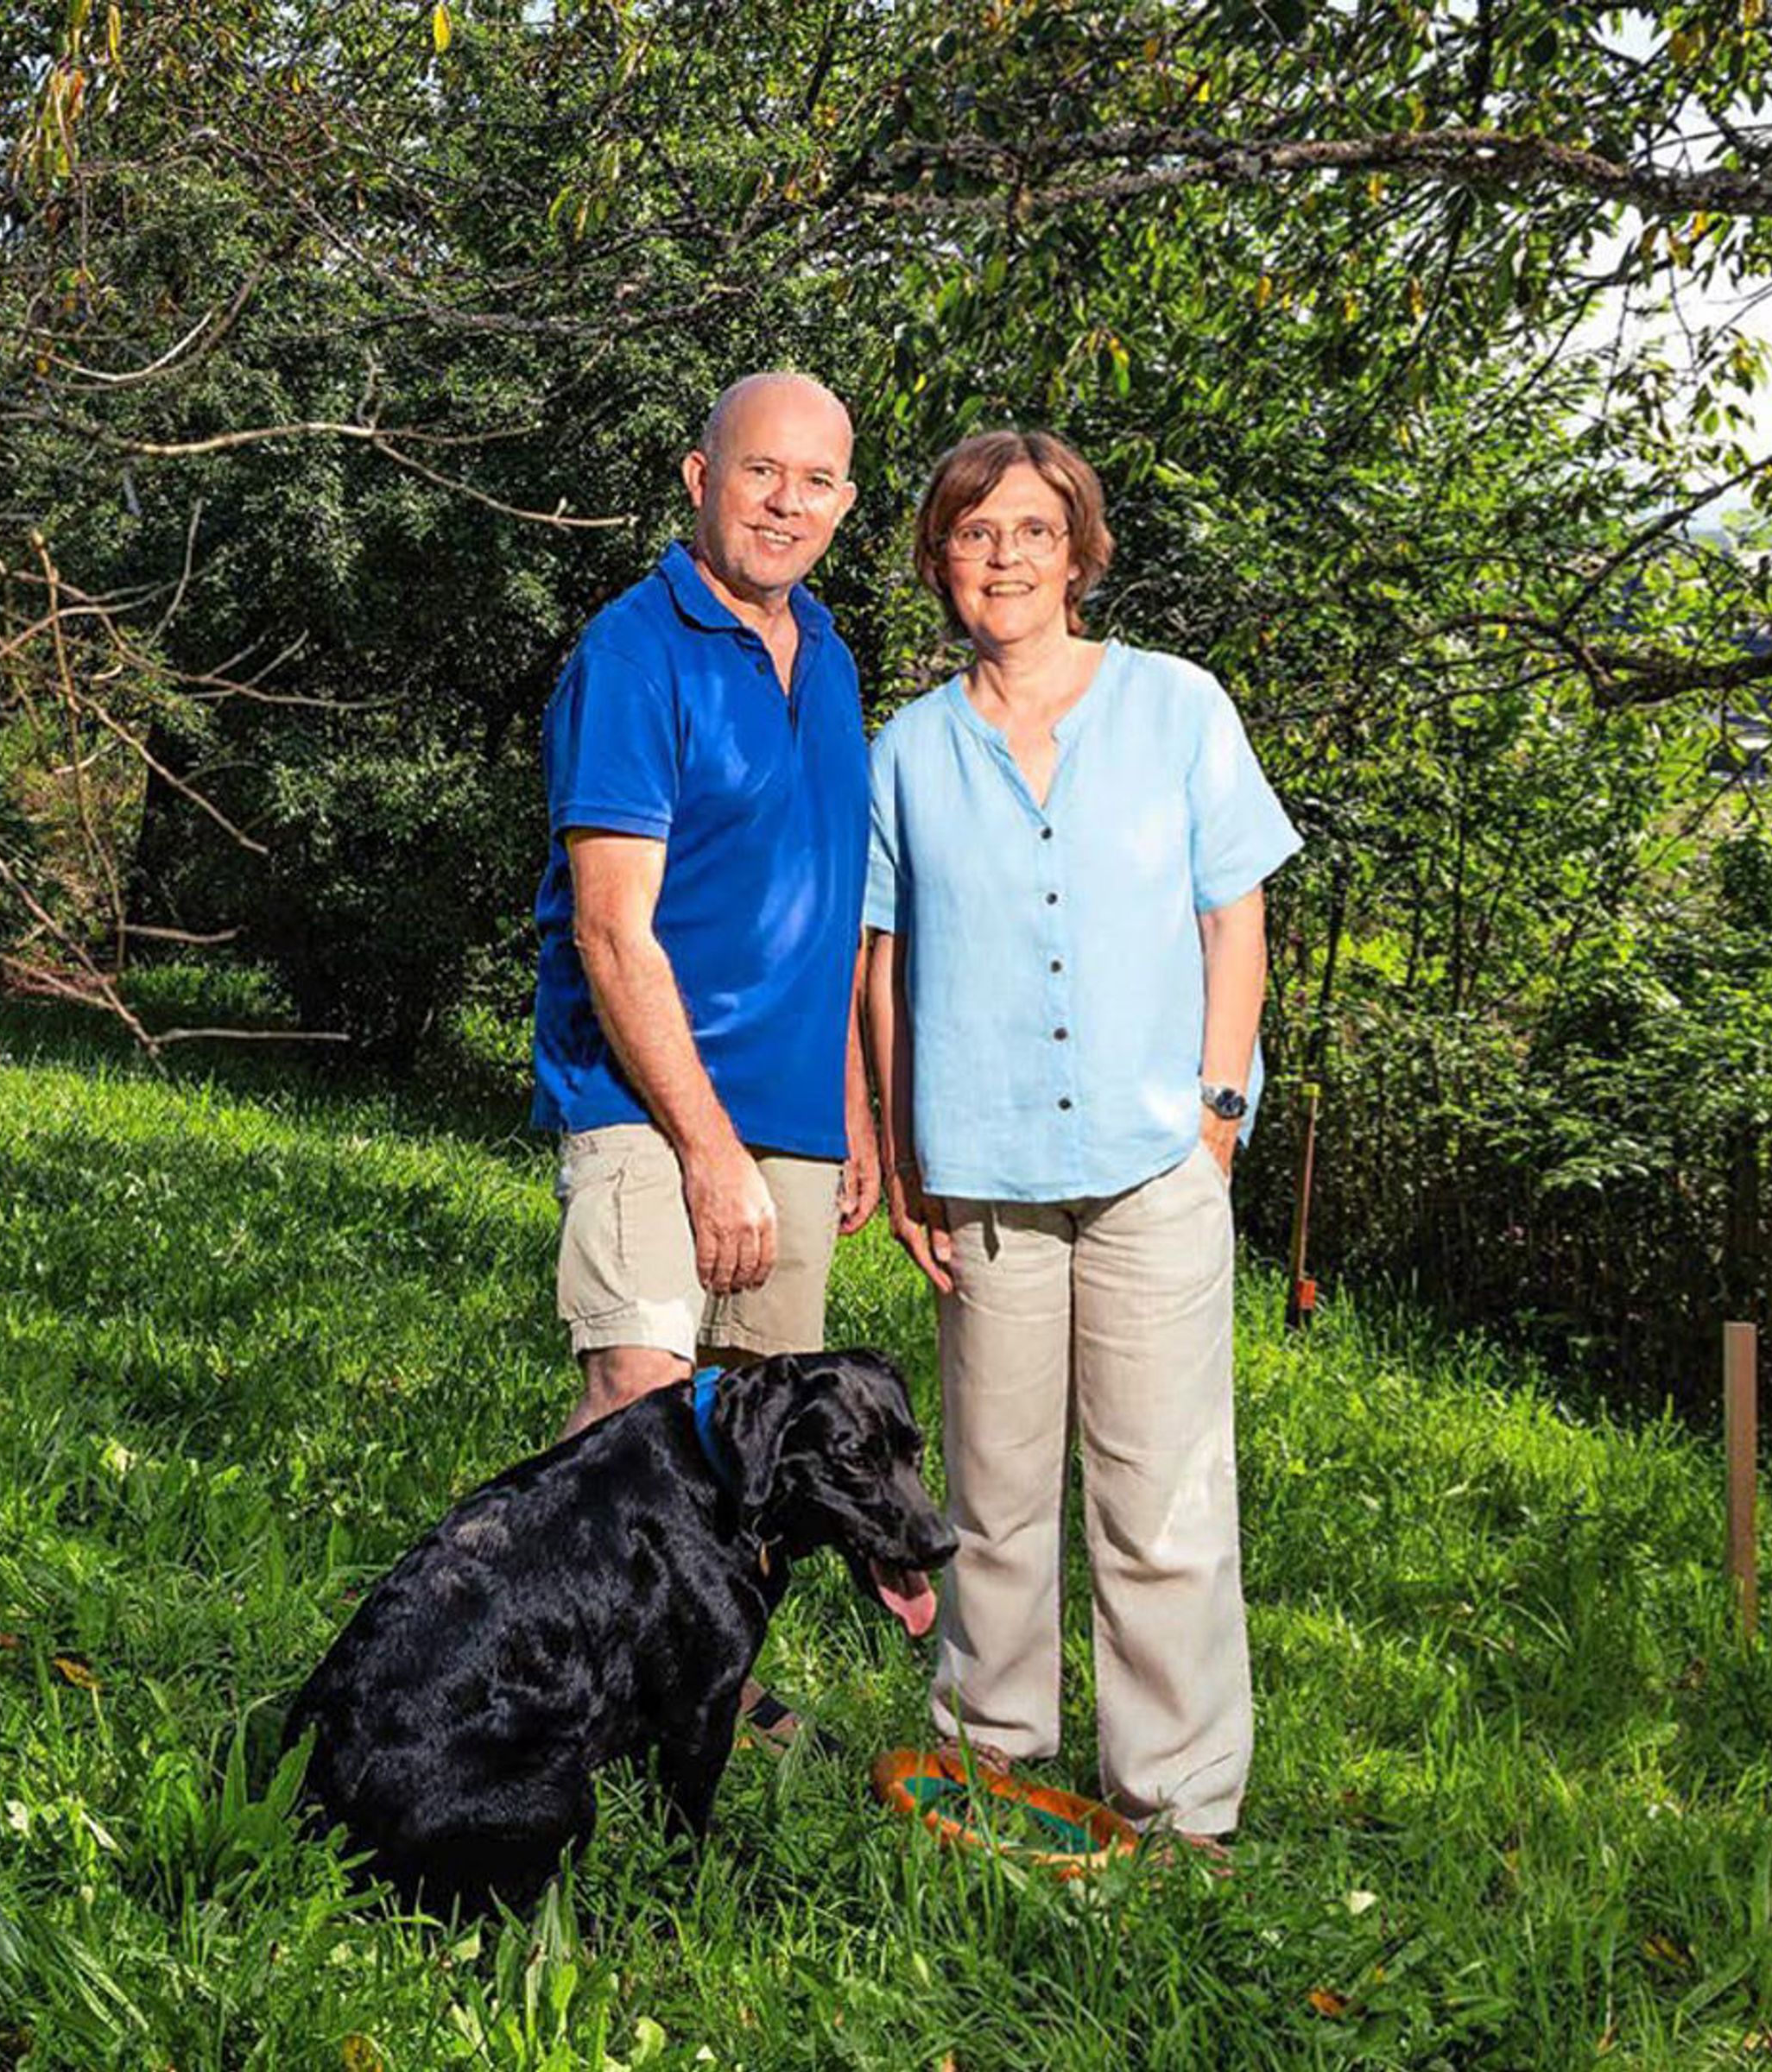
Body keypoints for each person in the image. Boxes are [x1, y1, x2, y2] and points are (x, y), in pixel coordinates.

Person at [859, 429, 1301, 1854]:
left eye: (1034, 532)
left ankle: (1177, 1803)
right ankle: (991, 1762)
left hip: (1152, 1164)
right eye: (976, 534)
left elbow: (1235, 918)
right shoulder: (909, 752)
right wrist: (903, 1147)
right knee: (991, 1497)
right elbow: (884, 966)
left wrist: (1218, 1113)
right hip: (982, 1171)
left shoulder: (1178, 709)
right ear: (939, 559)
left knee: (1161, 1499)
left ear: (1079, 552)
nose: (1005, 559)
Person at [528, 371, 883, 1744]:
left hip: (793, 1118)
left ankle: (700, 1690)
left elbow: (832, 905)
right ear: (698, 478)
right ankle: (558, 1670)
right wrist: (709, 1149)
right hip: (650, 1103)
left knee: (761, 1443)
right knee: (641, 1397)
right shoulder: (634, 653)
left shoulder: (835, 658)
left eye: (815, 483)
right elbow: (616, 933)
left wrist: (844, 1106)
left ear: (845, 505)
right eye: (759, 473)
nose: (785, 504)